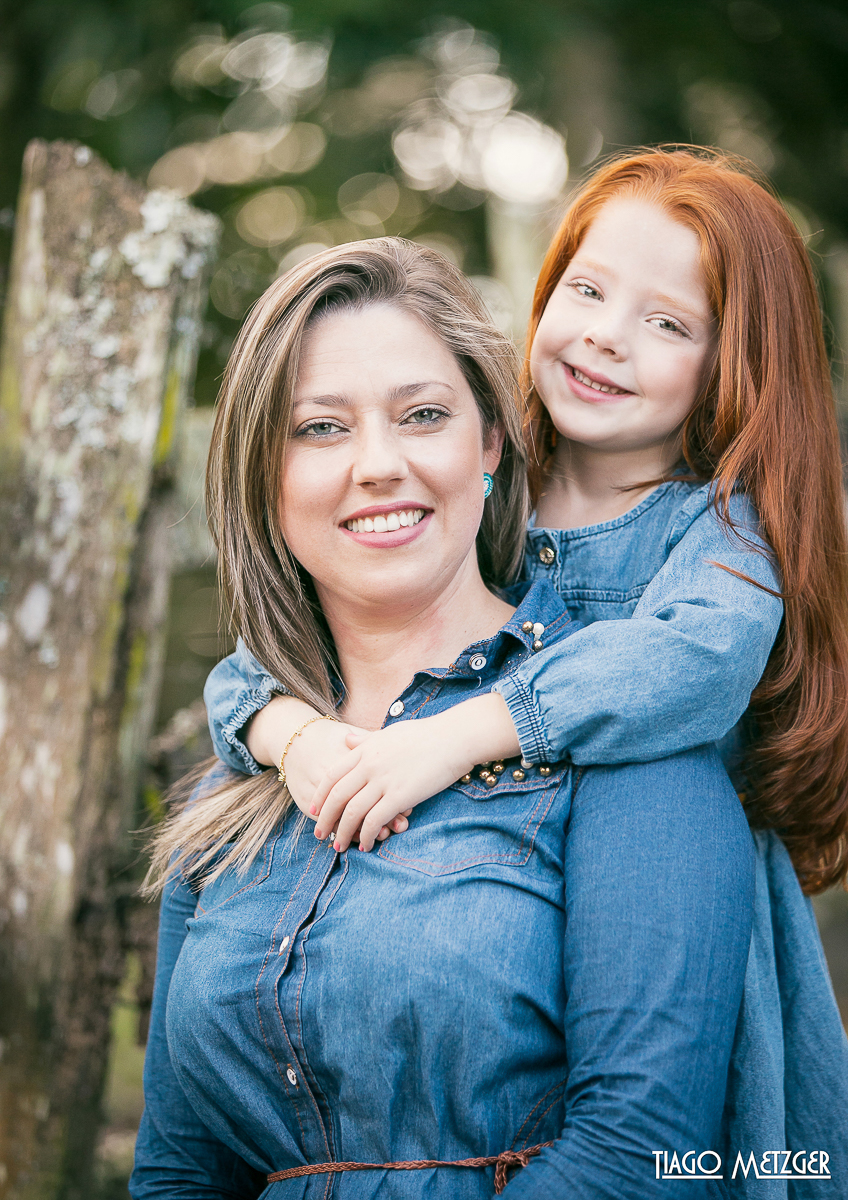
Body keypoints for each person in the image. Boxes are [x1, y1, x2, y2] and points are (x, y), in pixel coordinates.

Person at [202, 149, 848, 1187]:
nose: (603, 334)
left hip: (675, 937)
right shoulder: (488, 500)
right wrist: (296, 735)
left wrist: (450, 736)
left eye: (666, 322)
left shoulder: (717, 537)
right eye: (585, 291)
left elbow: (685, 665)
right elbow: (245, 674)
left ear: (738, 367)